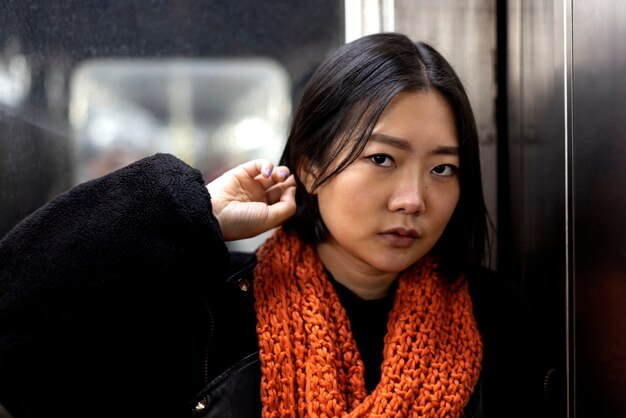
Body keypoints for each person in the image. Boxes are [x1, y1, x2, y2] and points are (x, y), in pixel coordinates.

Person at [0, 33, 544, 418]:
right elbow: (15, 317)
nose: (413, 199)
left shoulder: (492, 319)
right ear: (309, 164)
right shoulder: (211, 314)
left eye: (442, 168)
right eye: (382, 159)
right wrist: (195, 212)